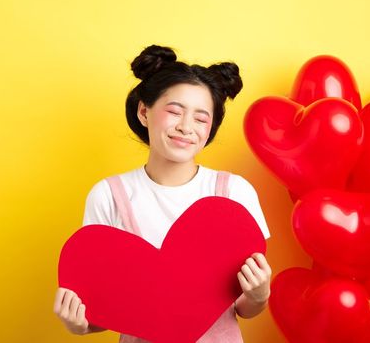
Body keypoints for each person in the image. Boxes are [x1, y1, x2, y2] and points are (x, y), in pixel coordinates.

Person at [53, 45, 273, 342]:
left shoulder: (233, 194)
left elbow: (245, 308)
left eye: (200, 118)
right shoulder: (110, 195)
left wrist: (259, 295)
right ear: (144, 111)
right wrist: (80, 323)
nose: (185, 127)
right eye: (174, 112)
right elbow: (106, 308)